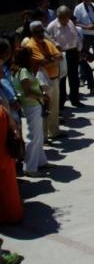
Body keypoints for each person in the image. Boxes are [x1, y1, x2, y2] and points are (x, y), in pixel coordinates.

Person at [12, 46, 49, 177]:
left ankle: (40, 161)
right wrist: (42, 96)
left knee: (38, 135)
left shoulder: (22, 71)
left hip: (34, 106)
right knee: (33, 137)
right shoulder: (22, 72)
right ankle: (30, 167)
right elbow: (27, 93)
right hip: (31, 106)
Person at [24, 20, 63, 140]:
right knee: (44, 109)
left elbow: (60, 57)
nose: (41, 33)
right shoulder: (30, 45)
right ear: (32, 32)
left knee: (54, 107)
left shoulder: (47, 42)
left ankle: (54, 131)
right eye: (37, 32)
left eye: (42, 30)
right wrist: (52, 58)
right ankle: (44, 137)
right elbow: (42, 62)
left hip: (54, 79)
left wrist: (50, 59)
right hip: (42, 83)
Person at [47, 6, 86, 108]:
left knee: (74, 78)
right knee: (62, 79)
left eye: (68, 17)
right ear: (59, 16)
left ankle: (75, 99)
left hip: (72, 52)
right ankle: (61, 103)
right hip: (61, 55)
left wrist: (79, 50)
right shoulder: (51, 26)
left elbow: (76, 37)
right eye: (65, 18)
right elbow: (49, 42)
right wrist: (56, 47)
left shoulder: (70, 23)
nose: (67, 20)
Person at [0, 90, 23, 224]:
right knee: (9, 186)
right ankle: (14, 214)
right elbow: (14, 128)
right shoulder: (2, 112)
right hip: (5, 155)